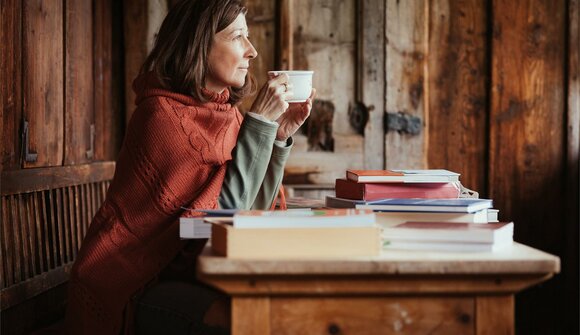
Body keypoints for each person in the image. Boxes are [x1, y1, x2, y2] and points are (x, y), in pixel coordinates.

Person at [64, 0, 315, 334]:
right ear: (199, 43)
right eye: (238, 36)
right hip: (137, 283)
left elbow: (253, 209)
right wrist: (259, 125)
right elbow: (219, 220)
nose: (252, 51)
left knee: (287, 305)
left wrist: (278, 137)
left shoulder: (227, 116)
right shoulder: (160, 117)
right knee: (252, 320)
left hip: (192, 268)